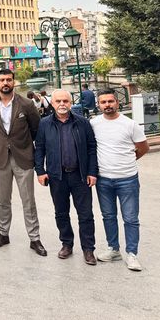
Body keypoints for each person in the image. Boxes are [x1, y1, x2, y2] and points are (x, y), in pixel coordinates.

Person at [0, 69, 47, 256]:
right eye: (2, 80)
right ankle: (3, 233)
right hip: (0, 158)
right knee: (3, 200)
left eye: (9, 79)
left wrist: (23, 145)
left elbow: (36, 129)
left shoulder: (26, 104)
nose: (5, 83)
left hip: (23, 157)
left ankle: (35, 238)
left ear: (14, 82)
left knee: (28, 201)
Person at [34, 89, 98, 265]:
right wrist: (40, 171)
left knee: (85, 214)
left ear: (70, 103)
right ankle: (67, 244)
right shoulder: (45, 124)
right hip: (57, 176)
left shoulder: (83, 122)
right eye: (58, 101)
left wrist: (92, 172)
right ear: (52, 103)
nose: (62, 104)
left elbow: (92, 148)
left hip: (80, 176)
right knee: (61, 213)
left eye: (65, 101)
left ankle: (88, 249)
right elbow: (39, 148)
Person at [91, 88, 149, 271]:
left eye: (110, 101)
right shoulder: (93, 124)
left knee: (130, 218)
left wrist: (128, 161)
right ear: (98, 105)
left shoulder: (130, 124)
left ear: (117, 102)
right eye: (103, 102)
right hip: (104, 180)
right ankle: (113, 249)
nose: (107, 105)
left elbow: (143, 148)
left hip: (128, 179)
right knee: (108, 216)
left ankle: (132, 254)